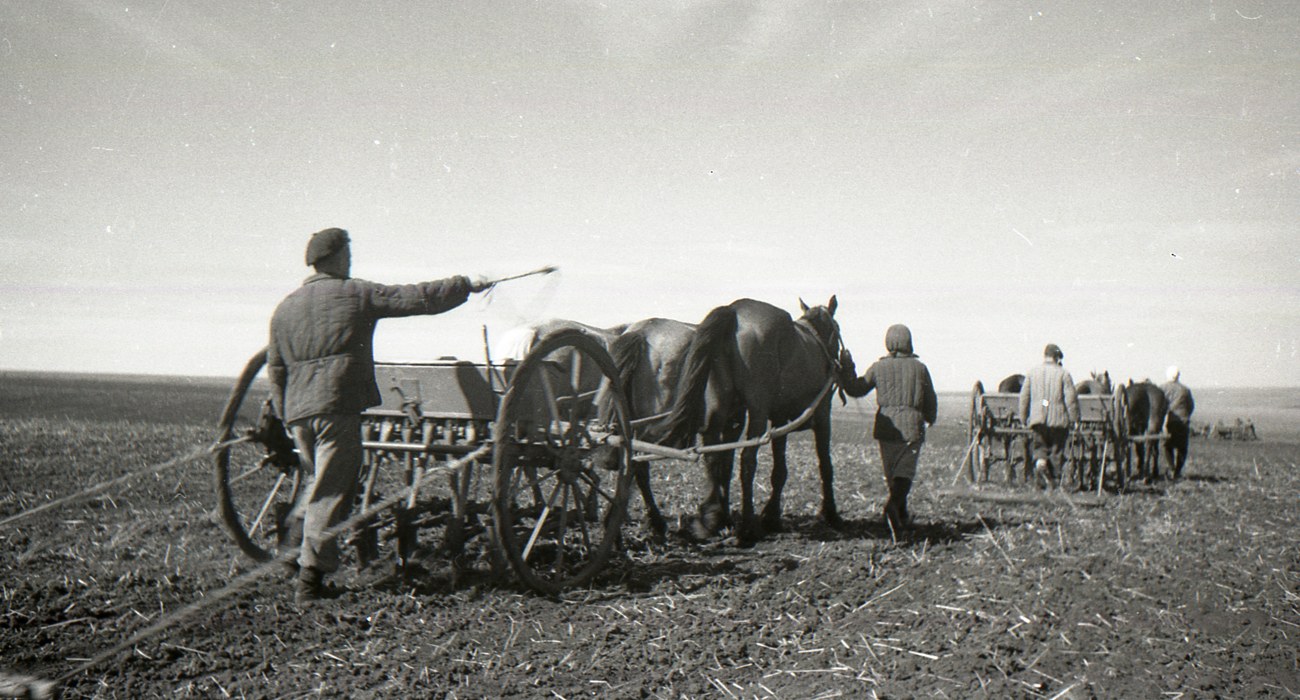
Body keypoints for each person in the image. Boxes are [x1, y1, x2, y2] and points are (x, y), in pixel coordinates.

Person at [266, 227, 493, 605]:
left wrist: (287, 415)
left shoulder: (285, 307)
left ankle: (292, 549)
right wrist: (464, 284)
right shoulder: (353, 292)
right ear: (336, 256)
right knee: (334, 490)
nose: (351, 259)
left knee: (318, 481)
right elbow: (415, 298)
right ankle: (310, 580)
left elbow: (275, 370)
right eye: (348, 253)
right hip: (336, 405)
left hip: (299, 414)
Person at [836, 324, 938, 531]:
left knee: (892, 473)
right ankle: (893, 508)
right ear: (909, 342)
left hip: (886, 428)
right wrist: (930, 417)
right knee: (905, 473)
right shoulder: (920, 368)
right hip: (912, 426)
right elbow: (930, 399)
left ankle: (901, 513)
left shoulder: (878, 367)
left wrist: (847, 367)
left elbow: (856, 388)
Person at [1017, 343, 1079, 490]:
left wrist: (1023, 417)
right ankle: (1053, 482)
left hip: (1038, 419)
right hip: (1058, 421)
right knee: (1056, 450)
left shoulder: (1032, 373)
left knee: (1040, 447)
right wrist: (1074, 419)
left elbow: (1024, 397)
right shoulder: (1064, 374)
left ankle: (1040, 466)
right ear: (1057, 358)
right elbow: (1070, 399)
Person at [1161, 365, 1195, 479]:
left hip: (1170, 421)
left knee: (1167, 446)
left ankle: (1171, 468)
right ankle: (1178, 470)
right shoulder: (1185, 390)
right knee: (1182, 448)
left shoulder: (1162, 388)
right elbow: (1191, 406)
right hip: (1183, 421)